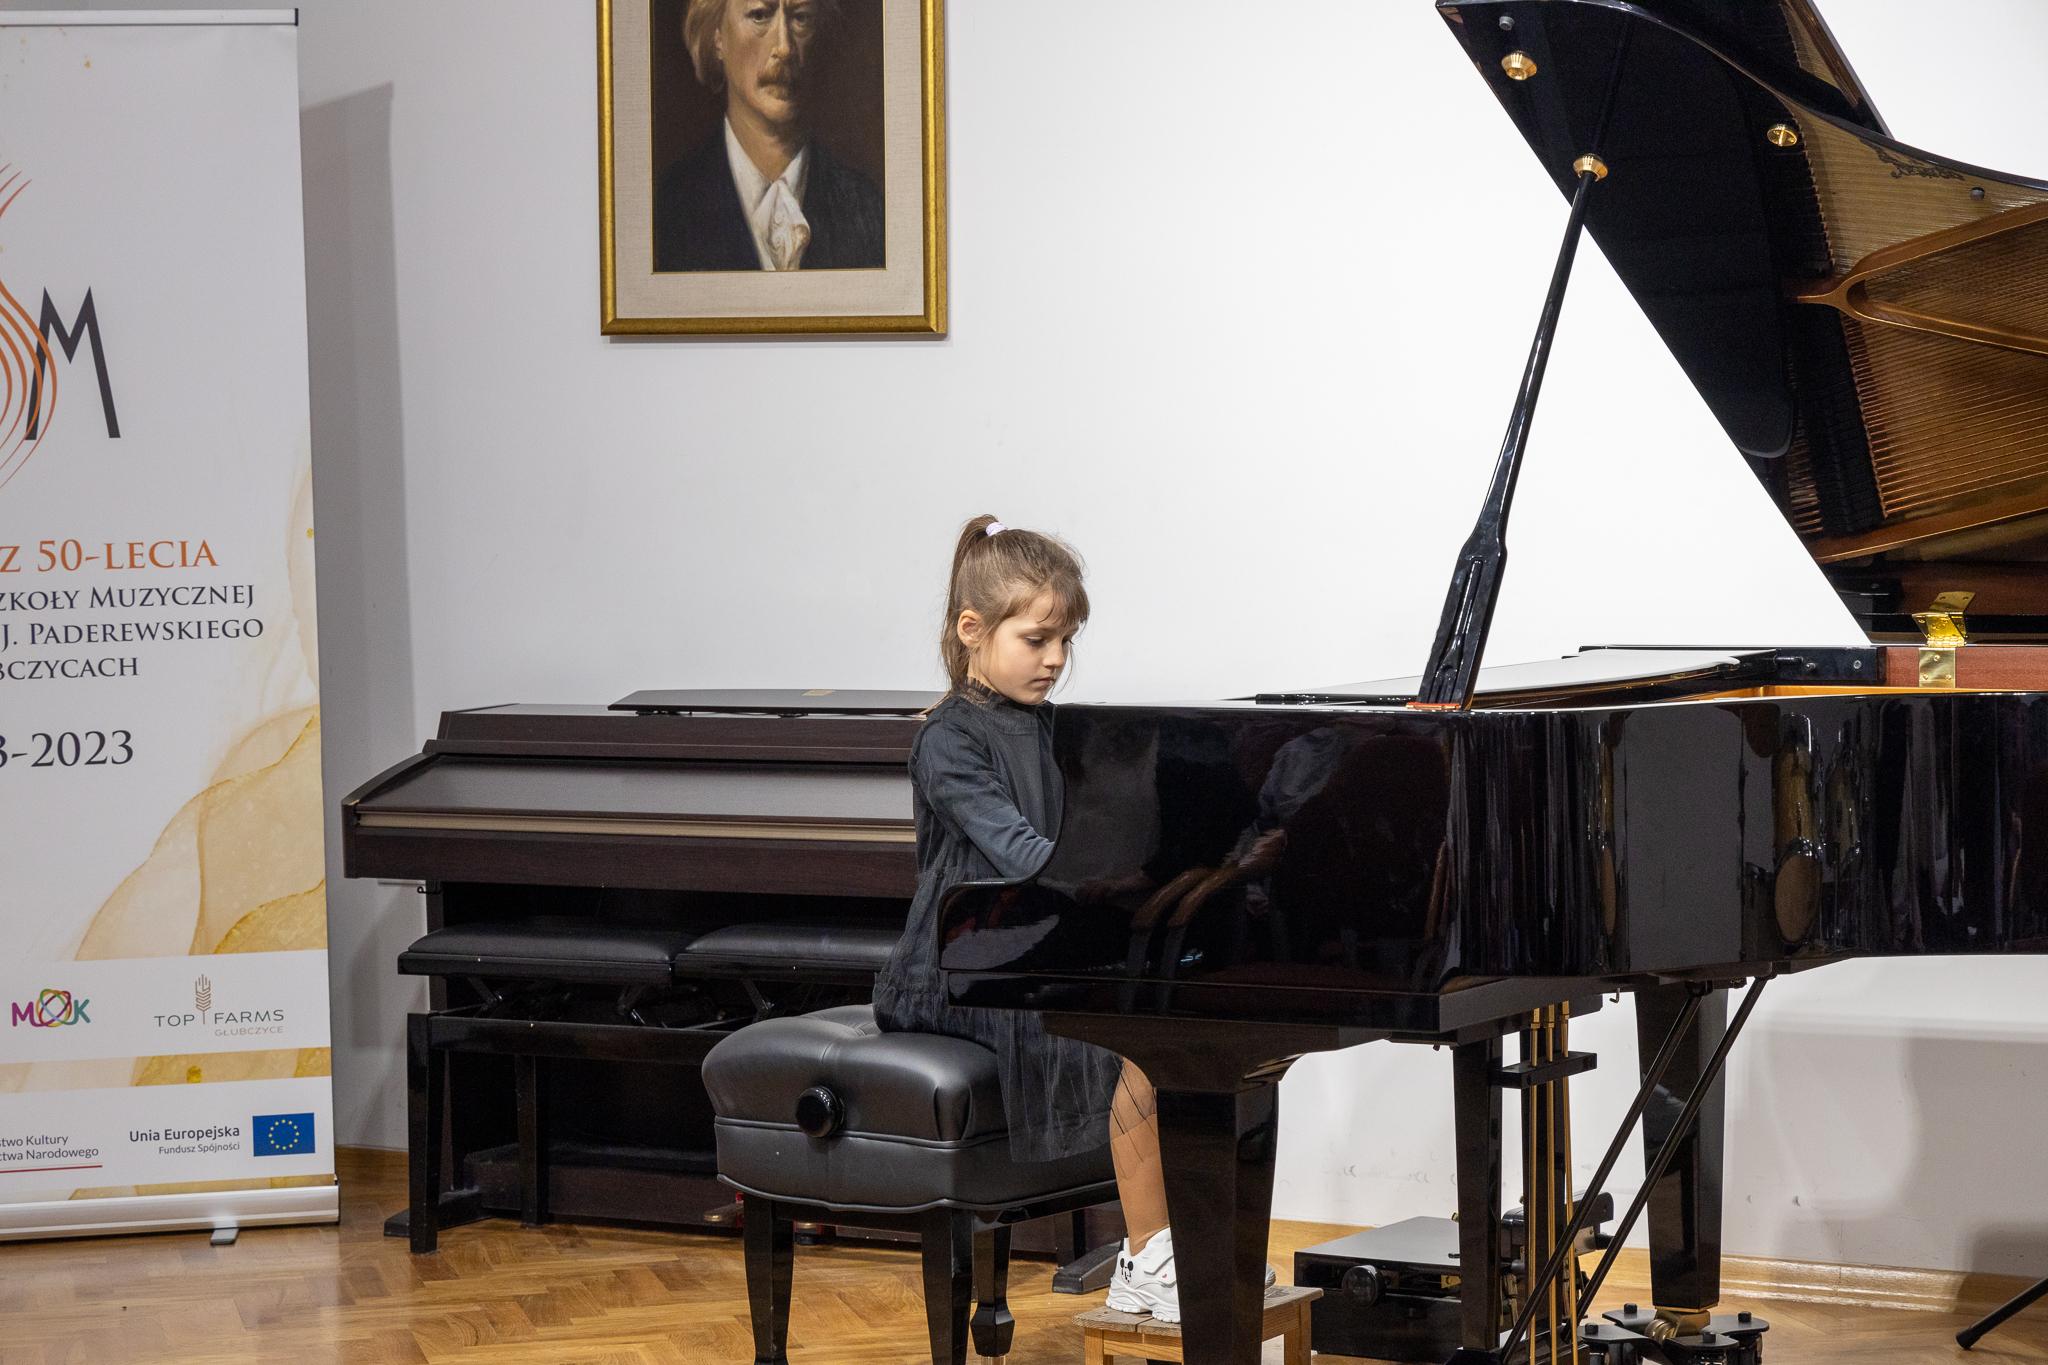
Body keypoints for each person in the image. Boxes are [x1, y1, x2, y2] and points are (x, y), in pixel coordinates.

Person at [871, 514, 1185, 1322]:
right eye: (1037, 638)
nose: (1054, 659)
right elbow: (1019, 851)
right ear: (972, 630)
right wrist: (1106, 887)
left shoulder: (1052, 728)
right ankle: (1147, 1259)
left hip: (1028, 946)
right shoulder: (947, 739)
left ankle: (1178, 1246)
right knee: (1137, 1043)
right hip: (955, 969)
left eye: (1065, 641)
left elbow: (1088, 836)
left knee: (1191, 1029)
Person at [656, 0, 885, 272]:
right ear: (718, 37)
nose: (784, 48)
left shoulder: (867, 209)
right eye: (760, 15)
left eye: (801, 18)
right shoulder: (667, 208)